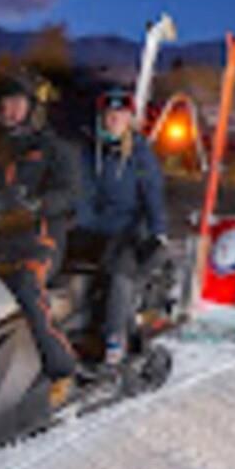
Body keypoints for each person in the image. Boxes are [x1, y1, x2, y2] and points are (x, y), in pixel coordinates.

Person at [0, 71, 81, 382]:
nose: (9, 109)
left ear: (32, 107)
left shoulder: (53, 149)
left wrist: (38, 204)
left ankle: (60, 365)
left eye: (16, 102)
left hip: (39, 241)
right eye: (4, 102)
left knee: (24, 285)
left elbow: (70, 193)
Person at [72, 87, 167, 372]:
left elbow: (152, 193)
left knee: (118, 267)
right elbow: (82, 192)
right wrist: (82, 221)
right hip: (93, 226)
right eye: (110, 114)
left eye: (120, 114)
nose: (114, 119)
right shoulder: (90, 151)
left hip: (127, 227)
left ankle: (115, 338)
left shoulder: (139, 153)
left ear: (129, 119)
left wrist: (157, 231)